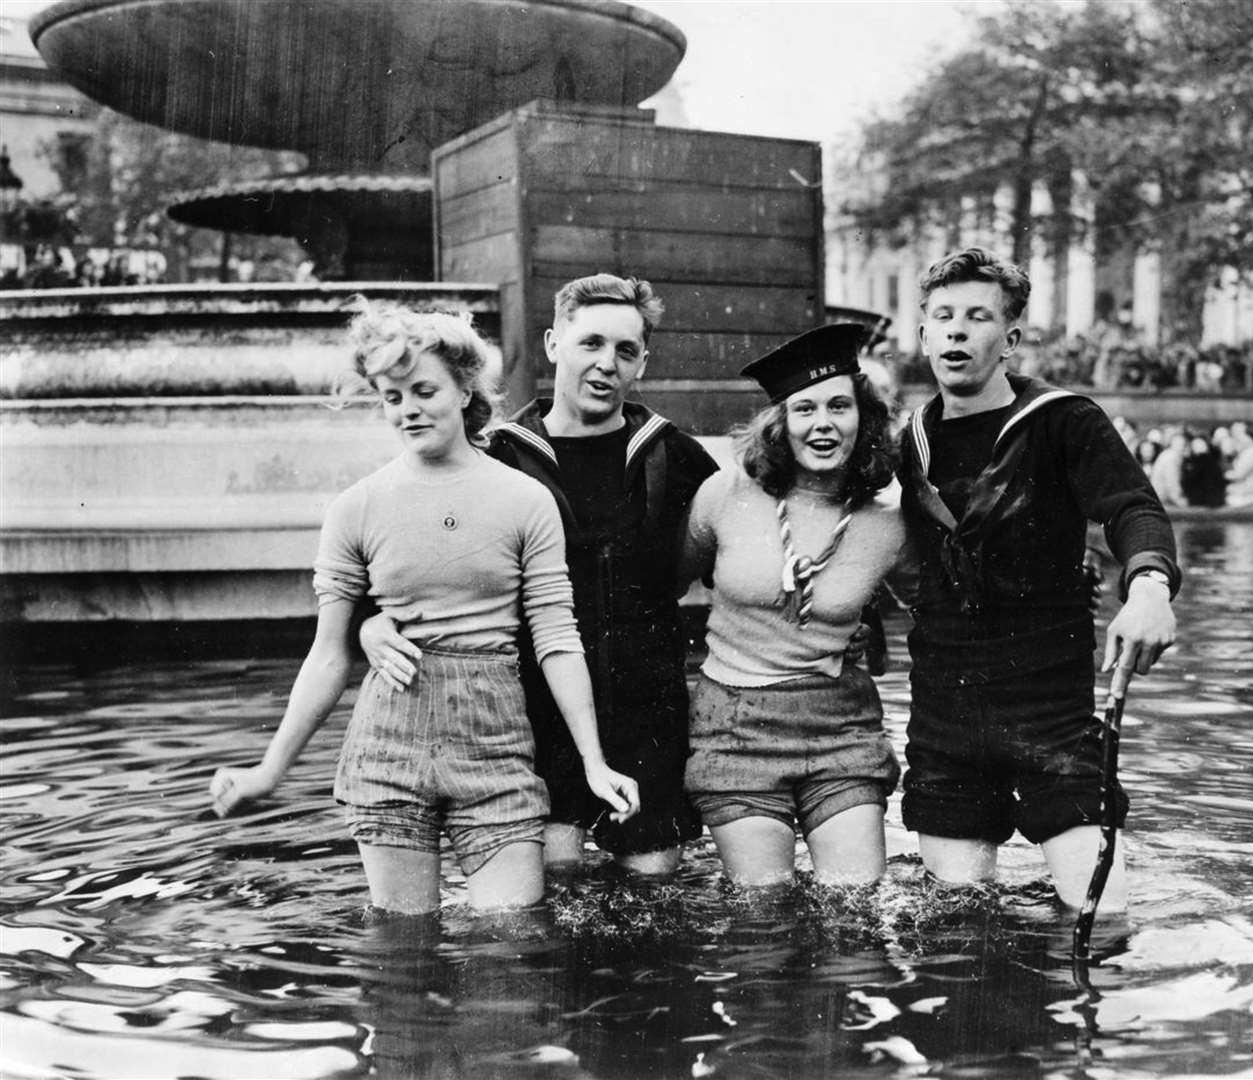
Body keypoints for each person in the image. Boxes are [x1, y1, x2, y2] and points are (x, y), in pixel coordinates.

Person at [209, 300, 638, 914]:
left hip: (495, 745)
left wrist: (594, 762)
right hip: (389, 745)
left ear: (466, 389)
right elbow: (328, 655)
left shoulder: (526, 499)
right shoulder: (355, 508)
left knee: (511, 944)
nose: (407, 409)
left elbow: (556, 637)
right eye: (390, 396)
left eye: (424, 390)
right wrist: (268, 771)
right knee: (403, 951)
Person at [362, 275, 716, 877]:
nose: (606, 364)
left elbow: (745, 546)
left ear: (642, 363)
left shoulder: (672, 456)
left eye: (625, 351)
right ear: (554, 344)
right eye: (591, 344)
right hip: (531, 714)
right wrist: (370, 626)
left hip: (647, 711)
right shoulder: (495, 456)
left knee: (656, 886)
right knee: (554, 883)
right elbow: (407, 555)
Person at [897, 248, 1179, 911]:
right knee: (954, 929)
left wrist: (1148, 589)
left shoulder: (1062, 421)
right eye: (943, 316)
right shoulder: (907, 439)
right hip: (947, 708)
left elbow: (1133, 510)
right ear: (925, 334)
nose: (958, 330)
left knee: (1102, 919)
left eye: (977, 316)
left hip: (1048, 705)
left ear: (1011, 339)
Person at [679, 323, 915, 887]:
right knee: (763, 916)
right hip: (736, 725)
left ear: (865, 417)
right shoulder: (725, 495)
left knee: (854, 910)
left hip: (840, 726)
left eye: (840, 405)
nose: (824, 423)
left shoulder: (890, 519)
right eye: (805, 409)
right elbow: (662, 587)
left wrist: (871, 632)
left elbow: (936, 609)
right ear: (780, 423)